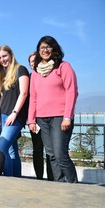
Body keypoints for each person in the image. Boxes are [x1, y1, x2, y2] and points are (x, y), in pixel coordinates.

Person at [28, 36, 78, 183]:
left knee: (60, 154)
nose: (45, 50)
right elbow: (33, 97)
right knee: (51, 155)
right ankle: (60, 185)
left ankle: (73, 185)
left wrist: (67, 116)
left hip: (60, 118)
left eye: (48, 47)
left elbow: (72, 91)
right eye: (42, 48)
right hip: (42, 119)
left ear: (54, 49)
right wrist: (31, 119)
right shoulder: (36, 73)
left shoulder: (63, 67)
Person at [0, 45, 30, 177]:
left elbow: (24, 93)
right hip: (4, 115)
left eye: (5, 56)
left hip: (15, 116)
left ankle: (8, 179)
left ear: (11, 55)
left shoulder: (21, 69)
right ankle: (17, 179)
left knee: (1, 148)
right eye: (0, 58)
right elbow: (3, 97)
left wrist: (14, 113)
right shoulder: (4, 74)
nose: (2, 60)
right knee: (12, 151)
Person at [28, 51, 53, 181]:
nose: (33, 63)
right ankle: (39, 178)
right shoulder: (30, 77)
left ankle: (51, 178)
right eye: (31, 62)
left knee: (50, 151)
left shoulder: (49, 74)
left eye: (35, 60)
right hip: (34, 120)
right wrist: (30, 120)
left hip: (48, 118)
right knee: (37, 149)